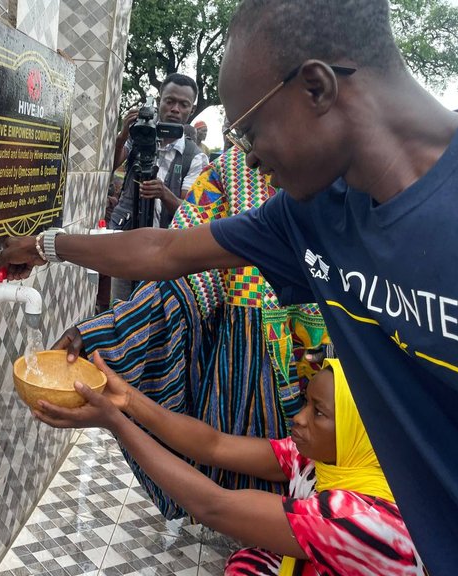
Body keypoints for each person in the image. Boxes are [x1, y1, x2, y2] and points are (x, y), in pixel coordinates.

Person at [0, 1, 458, 571]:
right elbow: (164, 251)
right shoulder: (309, 214)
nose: (252, 158)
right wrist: (45, 245)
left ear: (316, 87)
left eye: (253, 129)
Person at [55, 145, 329, 519]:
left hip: (329, 363)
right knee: (238, 464)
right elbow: (176, 253)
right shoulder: (232, 169)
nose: (248, 147)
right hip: (241, 348)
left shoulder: (352, 178)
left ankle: (309, 537)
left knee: (326, 467)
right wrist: (106, 329)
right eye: (240, 132)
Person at [35, 354, 425, 575]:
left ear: (362, 429)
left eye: (319, 412)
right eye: (307, 402)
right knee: (249, 563)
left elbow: (212, 506)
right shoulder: (327, 461)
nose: (299, 419)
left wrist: (114, 423)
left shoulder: (358, 516)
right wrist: (129, 402)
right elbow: (215, 446)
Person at [109, 73, 208, 299]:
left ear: (191, 110)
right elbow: (109, 167)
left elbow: (190, 212)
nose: (175, 109)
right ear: (159, 100)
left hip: (165, 255)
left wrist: (164, 194)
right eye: (169, 101)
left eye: (183, 105)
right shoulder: (137, 138)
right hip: (127, 246)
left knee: (154, 319)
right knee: (119, 310)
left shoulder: (195, 158)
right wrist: (123, 136)